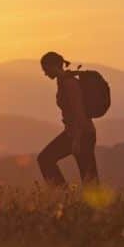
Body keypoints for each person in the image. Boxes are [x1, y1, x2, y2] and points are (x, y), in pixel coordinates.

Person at [37, 51, 99, 186]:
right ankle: (63, 196)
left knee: (89, 179)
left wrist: (77, 139)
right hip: (75, 133)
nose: (45, 73)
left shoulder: (69, 83)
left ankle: (63, 195)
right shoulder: (63, 81)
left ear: (53, 66)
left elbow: (79, 113)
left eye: (46, 69)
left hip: (82, 134)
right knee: (89, 177)